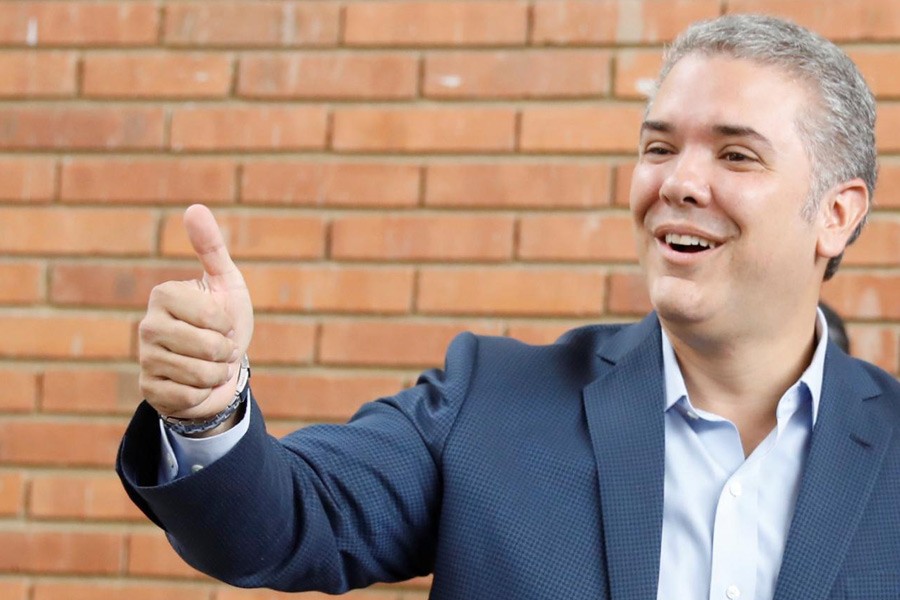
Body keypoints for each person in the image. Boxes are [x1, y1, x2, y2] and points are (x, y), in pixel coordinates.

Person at [117, 14, 900, 600]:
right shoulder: (487, 403)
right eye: (659, 147)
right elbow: (284, 524)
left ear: (836, 213)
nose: (677, 183)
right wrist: (208, 411)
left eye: (736, 154)